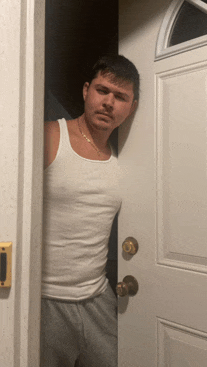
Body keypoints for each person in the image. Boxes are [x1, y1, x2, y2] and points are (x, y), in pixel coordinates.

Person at [41, 54, 140, 367]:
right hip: (44, 300)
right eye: (102, 90)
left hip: (99, 298)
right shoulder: (48, 136)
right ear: (86, 90)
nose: (109, 102)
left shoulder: (124, 162)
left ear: (131, 106)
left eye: (121, 96)